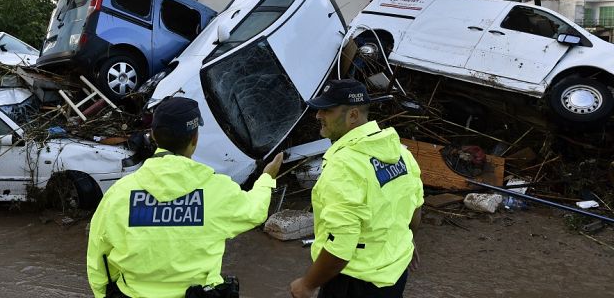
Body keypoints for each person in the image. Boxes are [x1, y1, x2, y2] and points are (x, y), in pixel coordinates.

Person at [87, 97, 283, 298]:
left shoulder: (119, 193)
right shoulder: (217, 190)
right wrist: (266, 178)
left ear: (153, 135)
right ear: (195, 139)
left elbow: (98, 255)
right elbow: (255, 210)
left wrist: (102, 294)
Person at [290, 79, 424, 298]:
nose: (317, 116)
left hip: (355, 282)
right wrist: (405, 242)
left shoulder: (345, 166)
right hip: (394, 274)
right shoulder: (401, 153)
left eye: (327, 110)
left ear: (353, 115)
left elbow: (341, 245)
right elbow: (414, 209)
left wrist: (307, 284)